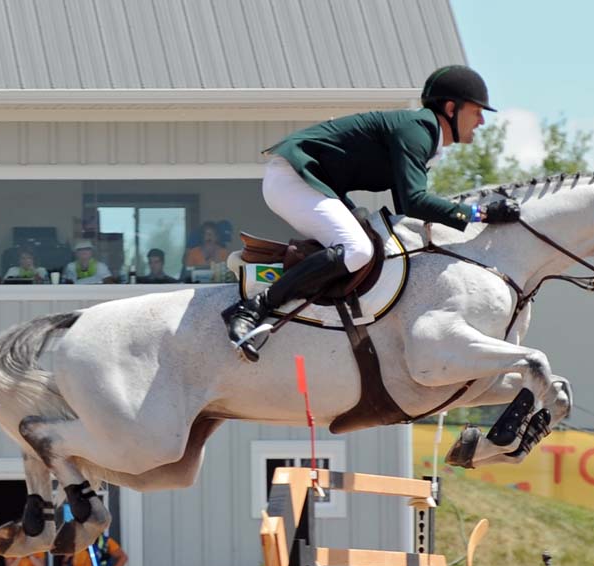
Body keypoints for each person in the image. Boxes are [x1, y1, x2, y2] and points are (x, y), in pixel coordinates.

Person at [223, 64, 522, 362]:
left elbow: (406, 209)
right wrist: (480, 214)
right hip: (293, 178)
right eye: (477, 111)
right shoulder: (418, 130)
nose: (482, 121)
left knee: (375, 244)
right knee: (357, 250)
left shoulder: (424, 137)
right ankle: (251, 309)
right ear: (450, 108)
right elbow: (417, 201)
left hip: (315, 183)